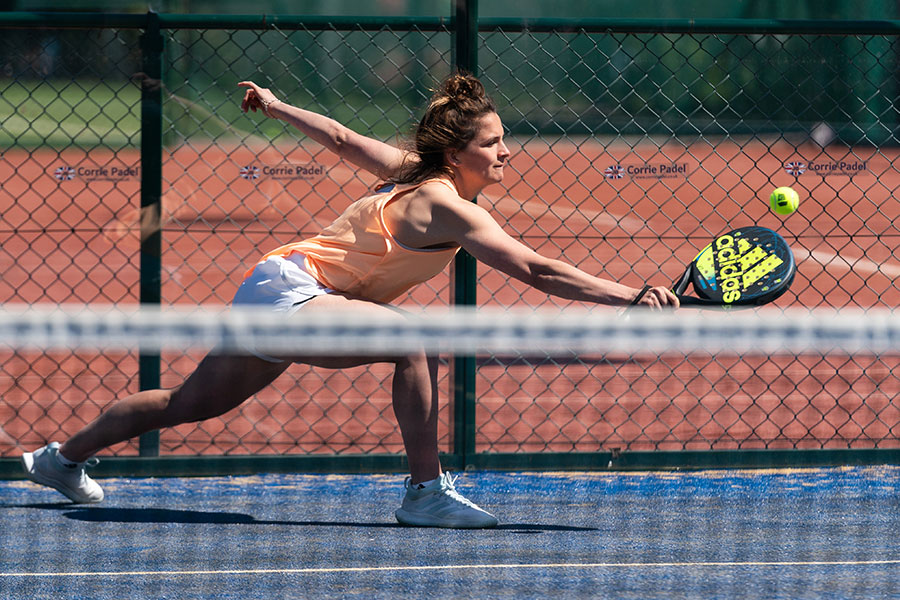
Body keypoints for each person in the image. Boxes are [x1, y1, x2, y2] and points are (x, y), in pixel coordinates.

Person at [21, 72, 678, 528]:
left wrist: (276, 107)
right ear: (457, 153)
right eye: (492, 142)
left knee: (186, 404)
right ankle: (426, 493)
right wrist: (631, 295)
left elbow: (337, 138)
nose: (507, 150)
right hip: (296, 296)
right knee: (413, 339)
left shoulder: (409, 171)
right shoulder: (443, 203)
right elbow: (534, 267)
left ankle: (60, 459)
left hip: (276, 287)